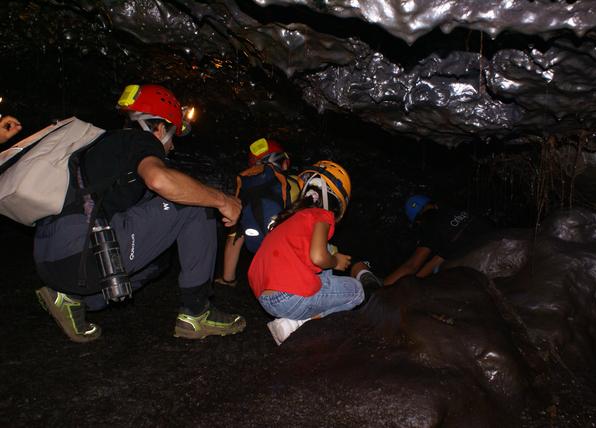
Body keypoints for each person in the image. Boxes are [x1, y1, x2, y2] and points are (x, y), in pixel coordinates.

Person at [33, 84, 245, 343]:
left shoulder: (103, 147)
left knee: (158, 262)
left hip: (54, 262)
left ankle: (71, 299)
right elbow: (159, 180)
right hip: (81, 252)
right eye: (172, 134)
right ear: (158, 127)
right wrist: (221, 200)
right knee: (196, 203)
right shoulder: (140, 141)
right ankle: (197, 312)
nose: (172, 145)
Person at [248, 160, 376, 345]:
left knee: (328, 249)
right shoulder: (323, 215)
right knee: (357, 291)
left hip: (266, 299)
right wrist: (335, 261)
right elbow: (318, 257)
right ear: (337, 201)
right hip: (290, 298)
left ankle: (296, 318)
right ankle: (299, 323)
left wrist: (329, 254)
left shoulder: (288, 221)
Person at [215, 137, 299, 287]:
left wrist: (228, 278)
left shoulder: (245, 188)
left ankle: (229, 280)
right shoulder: (294, 184)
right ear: (284, 163)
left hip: (262, 261)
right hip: (292, 262)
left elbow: (234, 237)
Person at [384, 195, 490, 285]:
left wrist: (382, 289)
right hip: (490, 237)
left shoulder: (429, 226)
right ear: (435, 205)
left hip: (478, 263)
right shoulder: (453, 210)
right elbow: (442, 255)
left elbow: (411, 266)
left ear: (418, 222)